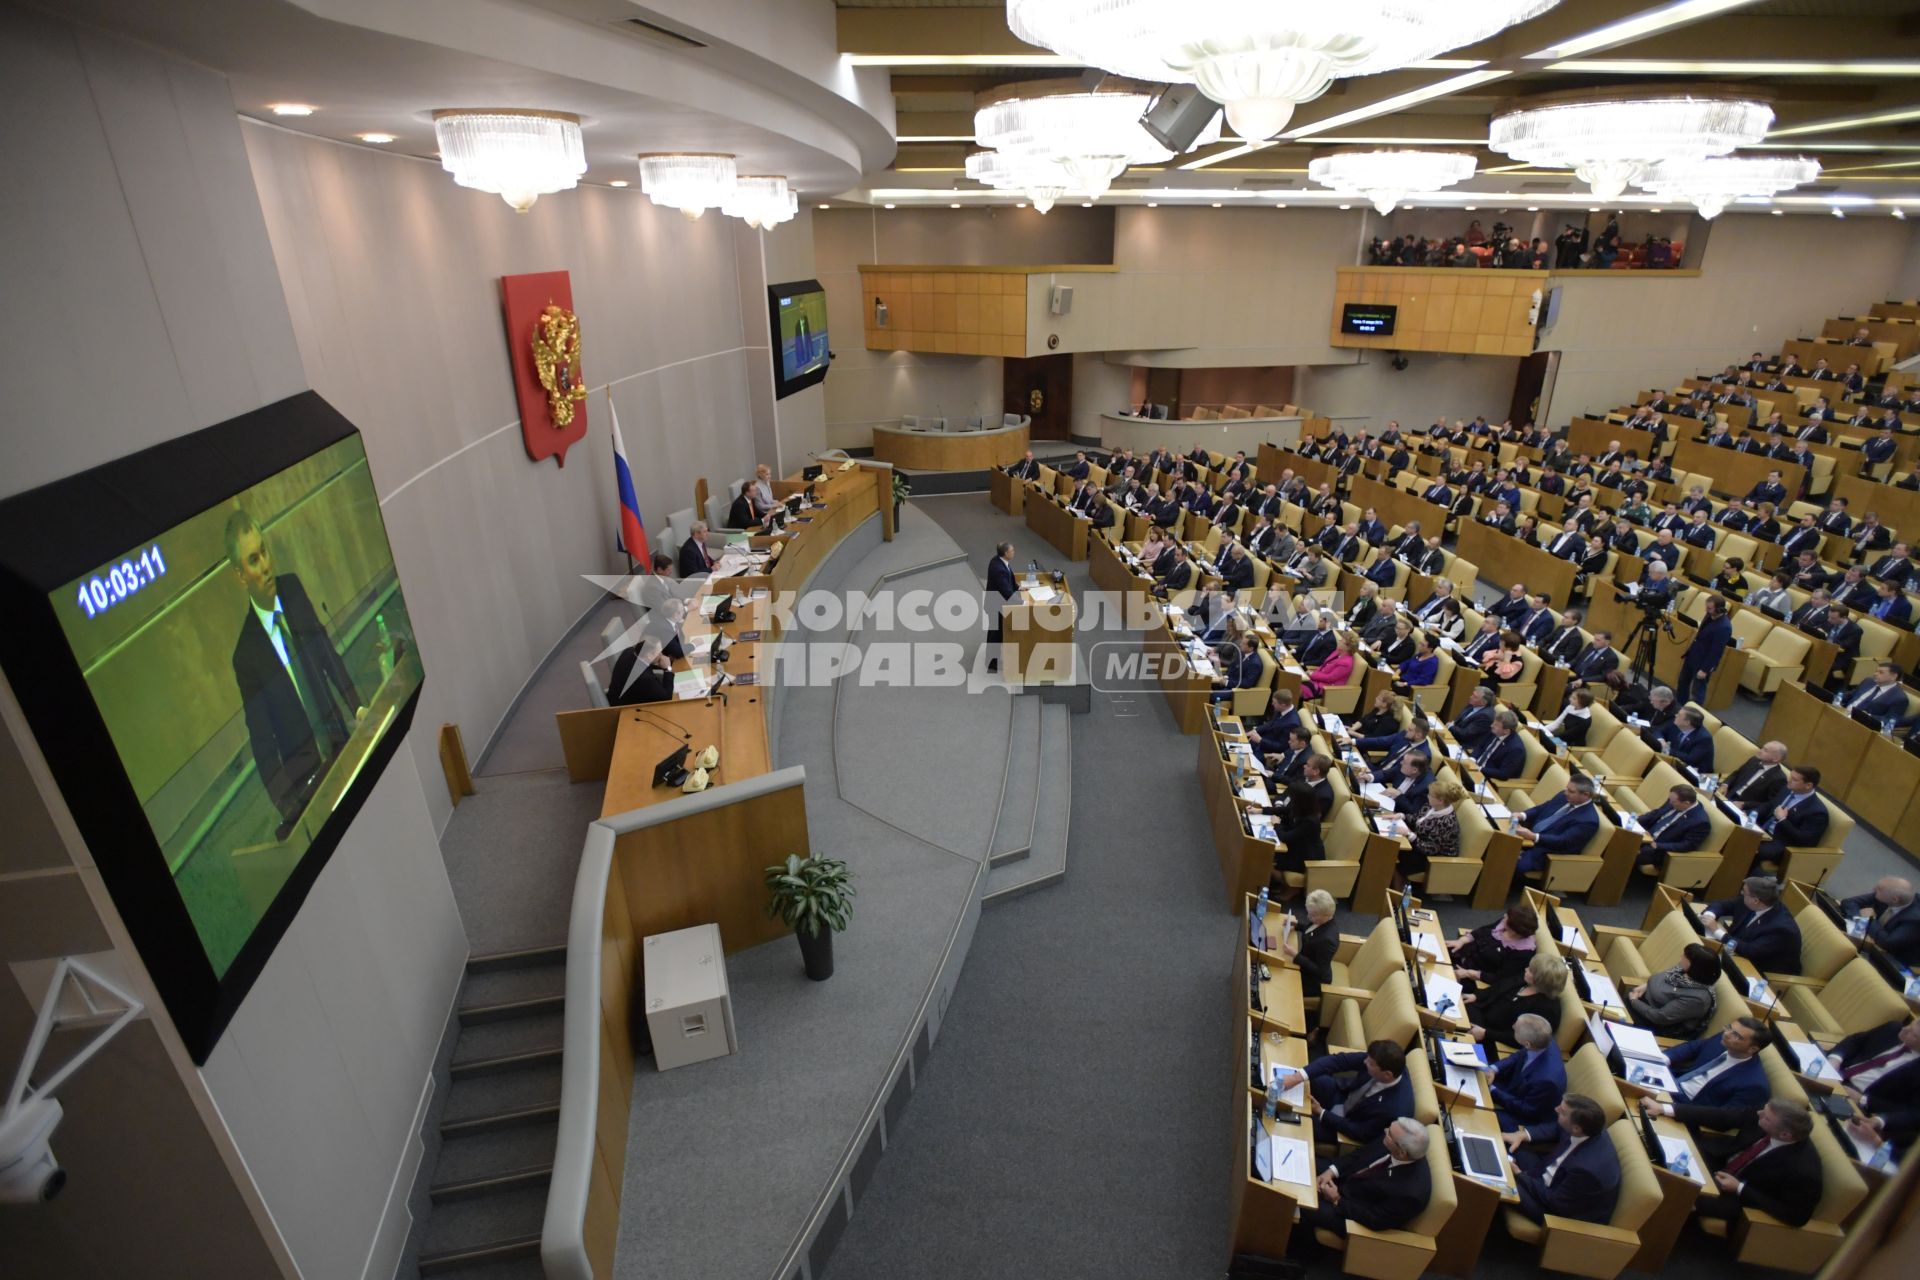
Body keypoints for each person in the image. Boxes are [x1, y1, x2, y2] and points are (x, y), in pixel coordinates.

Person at [225, 508, 365, 826]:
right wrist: (288, 807)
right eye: (253, 560)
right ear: (240, 575)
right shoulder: (246, 656)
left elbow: (327, 655)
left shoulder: (292, 590)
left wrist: (357, 706)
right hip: (309, 783)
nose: (265, 566)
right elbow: (262, 742)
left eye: (264, 552)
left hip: (341, 745)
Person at [1302, 1118, 1434, 1248]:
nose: (1385, 1130)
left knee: (1305, 1203)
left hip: (1351, 1214)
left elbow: (1374, 1219)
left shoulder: (1411, 1194)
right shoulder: (1394, 1143)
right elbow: (1359, 1155)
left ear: (1401, 1152)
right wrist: (1330, 1172)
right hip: (1346, 1179)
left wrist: (1337, 1200)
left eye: (1389, 1134)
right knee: (1304, 1160)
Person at [1693, 1099, 1822, 1228]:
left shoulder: (1804, 1171)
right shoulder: (1769, 1113)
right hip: (1721, 1163)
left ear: (1784, 1135)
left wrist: (1740, 1188)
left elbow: (1797, 1217)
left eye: (1766, 1118)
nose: (1759, 1113)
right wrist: (1675, 1110)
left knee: (1688, 1194)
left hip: (1742, 1199)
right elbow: (1728, 1116)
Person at [1502, 1094, 1621, 1226]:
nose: (1556, 1109)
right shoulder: (1586, 1126)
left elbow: (1555, 1201)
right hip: (1543, 1176)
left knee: (1500, 1184)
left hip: (1553, 1212)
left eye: (1562, 1112)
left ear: (1576, 1129)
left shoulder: (1587, 1171)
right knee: (1507, 1142)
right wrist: (1523, 1135)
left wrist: (1519, 1174)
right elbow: (1557, 1127)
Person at [1642, 1018, 1774, 1135]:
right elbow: (1694, 1047)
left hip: (1684, 1107)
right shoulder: (1723, 1039)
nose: (1727, 1034)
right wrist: (1664, 1059)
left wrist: (1665, 1109)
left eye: (1736, 1035)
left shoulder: (1755, 1085)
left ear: (1752, 1049)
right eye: (1729, 1028)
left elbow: (1724, 1118)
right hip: (1669, 1080)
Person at [1278, 1040, 1415, 1145]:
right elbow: (1339, 1060)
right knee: (1309, 1079)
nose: (1365, 1061)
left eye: (1370, 1063)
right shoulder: (1381, 1059)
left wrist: (1322, 1113)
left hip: (1346, 1124)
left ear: (1387, 1075)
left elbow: (1360, 1132)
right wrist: (1296, 1078)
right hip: (1342, 1096)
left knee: (1296, 1122)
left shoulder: (1394, 1109)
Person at [1826, 1018, 1920, 1157]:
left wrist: (1863, 1100)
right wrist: (1835, 1059)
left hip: (1855, 1102)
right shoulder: (1893, 1028)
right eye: (1915, 1023)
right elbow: (1856, 1041)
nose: (1905, 1029)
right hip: (1832, 1071)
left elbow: (1912, 1113)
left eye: (1914, 1035)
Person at [1468, 951, 1567, 1050]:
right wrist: (1476, 996)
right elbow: (1499, 987)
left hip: (1493, 1038)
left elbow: (1522, 1038)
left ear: (1539, 979)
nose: (1526, 969)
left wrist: (1486, 1033)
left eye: (1530, 970)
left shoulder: (1546, 1009)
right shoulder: (1525, 980)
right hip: (1481, 1011)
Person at [1624, 943, 1720, 1037]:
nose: (1681, 957)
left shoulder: (1697, 999)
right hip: (1642, 1003)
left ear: (1696, 966)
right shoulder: (1683, 971)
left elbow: (1660, 1017)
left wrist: (1634, 1001)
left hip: (1654, 1026)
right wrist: (1646, 985)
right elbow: (1659, 978)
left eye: (1685, 956)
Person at [1492, 1014, 1568, 1132]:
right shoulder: (1544, 1041)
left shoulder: (1546, 1080)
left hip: (1528, 1116)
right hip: (1514, 1088)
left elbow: (1526, 1109)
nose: (1512, 1026)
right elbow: (1518, 1056)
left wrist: (1492, 1090)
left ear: (1527, 1043)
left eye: (1515, 1029)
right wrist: (1494, 1069)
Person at [1514, 775, 1600, 872]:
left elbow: (1563, 841)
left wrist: (1534, 837)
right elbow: (1543, 808)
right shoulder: (1563, 796)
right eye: (1567, 788)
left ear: (1586, 794)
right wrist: (1522, 815)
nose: (1566, 793)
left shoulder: (1588, 821)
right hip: (1529, 836)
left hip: (1546, 852)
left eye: (1571, 791)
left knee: (1511, 863)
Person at [1448, 902, 1540, 992]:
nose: (1504, 916)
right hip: (1465, 955)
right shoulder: (1504, 923)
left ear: (1514, 929)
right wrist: (1461, 941)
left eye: (1507, 917)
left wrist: (1468, 973)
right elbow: (1483, 930)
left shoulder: (1523, 953)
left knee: (1443, 979)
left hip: (1474, 978)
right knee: (1439, 951)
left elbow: (1499, 978)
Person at [1751, 768, 1829, 874]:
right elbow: (1770, 805)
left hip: (1781, 843)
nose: (1788, 780)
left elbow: (1804, 840)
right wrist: (1750, 813)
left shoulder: (1817, 812)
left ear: (1808, 785)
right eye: (1790, 776)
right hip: (1762, 829)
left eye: (1794, 779)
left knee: (1750, 849)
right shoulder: (1787, 789)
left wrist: (1782, 819)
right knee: (1737, 831)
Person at [1281, 889, 1340, 1004]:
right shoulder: (1322, 921)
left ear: (1326, 915)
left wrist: (1295, 955)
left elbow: (1320, 971)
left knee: (1283, 983)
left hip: (1313, 980)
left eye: (1312, 915)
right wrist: (1296, 924)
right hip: (1305, 963)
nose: (1308, 917)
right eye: (1308, 912)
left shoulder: (1327, 941)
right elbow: (1311, 928)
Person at [1398, 775, 1461, 883]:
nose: (1427, 796)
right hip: (1419, 843)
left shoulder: (1447, 822)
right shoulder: (1431, 806)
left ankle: (1400, 892)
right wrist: (1402, 816)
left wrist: (1409, 835)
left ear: (1440, 801)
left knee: (1398, 857)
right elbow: (1417, 818)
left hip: (1433, 858)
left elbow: (1432, 849)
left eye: (1430, 795)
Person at [1633, 783, 1710, 869]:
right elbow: (1657, 812)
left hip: (1658, 849)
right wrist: (1637, 820)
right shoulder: (1674, 799)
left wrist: (1658, 845)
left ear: (1686, 803)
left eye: (1673, 802)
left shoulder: (1700, 822)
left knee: (1628, 852)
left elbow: (1687, 845)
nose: (1670, 803)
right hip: (1646, 834)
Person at [1682, 595, 1732, 704]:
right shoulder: (1710, 616)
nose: (1706, 610)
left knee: (1697, 691)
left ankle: (1693, 715)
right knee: (1683, 683)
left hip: (1703, 663)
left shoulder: (1724, 627)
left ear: (1719, 609)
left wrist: (1705, 669)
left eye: (1709, 609)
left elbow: (1716, 651)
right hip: (1693, 655)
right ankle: (1680, 706)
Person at [1722, 739, 1790, 811]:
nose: (1760, 751)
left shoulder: (1779, 778)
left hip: (1742, 808)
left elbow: (1769, 804)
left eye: (1765, 750)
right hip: (1727, 795)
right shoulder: (1754, 760)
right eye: (1762, 748)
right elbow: (1736, 774)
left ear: (1776, 759)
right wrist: (1725, 785)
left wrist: (1745, 805)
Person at [607, 635, 673, 706]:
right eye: (659, 652)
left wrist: (658, 663)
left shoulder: (629, 651)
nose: (661, 654)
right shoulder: (645, 678)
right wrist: (668, 669)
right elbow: (666, 698)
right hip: (624, 709)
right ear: (649, 655)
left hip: (617, 695)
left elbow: (645, 664)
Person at [1837, 662, 1912, 721]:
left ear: (1893, 677)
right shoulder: (1868, 681)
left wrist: (1867, 717)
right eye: (1876, 671)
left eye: (1881, 672)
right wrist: (1836, 698)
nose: (1875, 674)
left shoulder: (1899, 698)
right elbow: (1851, 694)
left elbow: (1890, 720)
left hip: (1861, 724)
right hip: (1842, 712)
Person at [985, 541, 1016, 673]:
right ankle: (992, 664)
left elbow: (1009, 581)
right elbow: (1007, 593)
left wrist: (1019, 587)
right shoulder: (999, 569)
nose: (1014, 552)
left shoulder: (998, 561)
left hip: (996, 602)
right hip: (995, 605)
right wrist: (1023, 603)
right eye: (1012, 551)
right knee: (995, 635)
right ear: (1005, 553)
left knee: (996, 633)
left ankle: (993, 660)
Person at [1301, 632, 1357, 700]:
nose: (1339, 642)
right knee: (1295, 681)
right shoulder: (1337, 651)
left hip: (1325, 688)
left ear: (1348, 647)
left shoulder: (1346, 663)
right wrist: (1312, 673)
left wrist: (1312, 674)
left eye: (1342, 641)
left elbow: (1330, 678)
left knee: (1298, 689)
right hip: (1316, 680)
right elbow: (1323, 665)